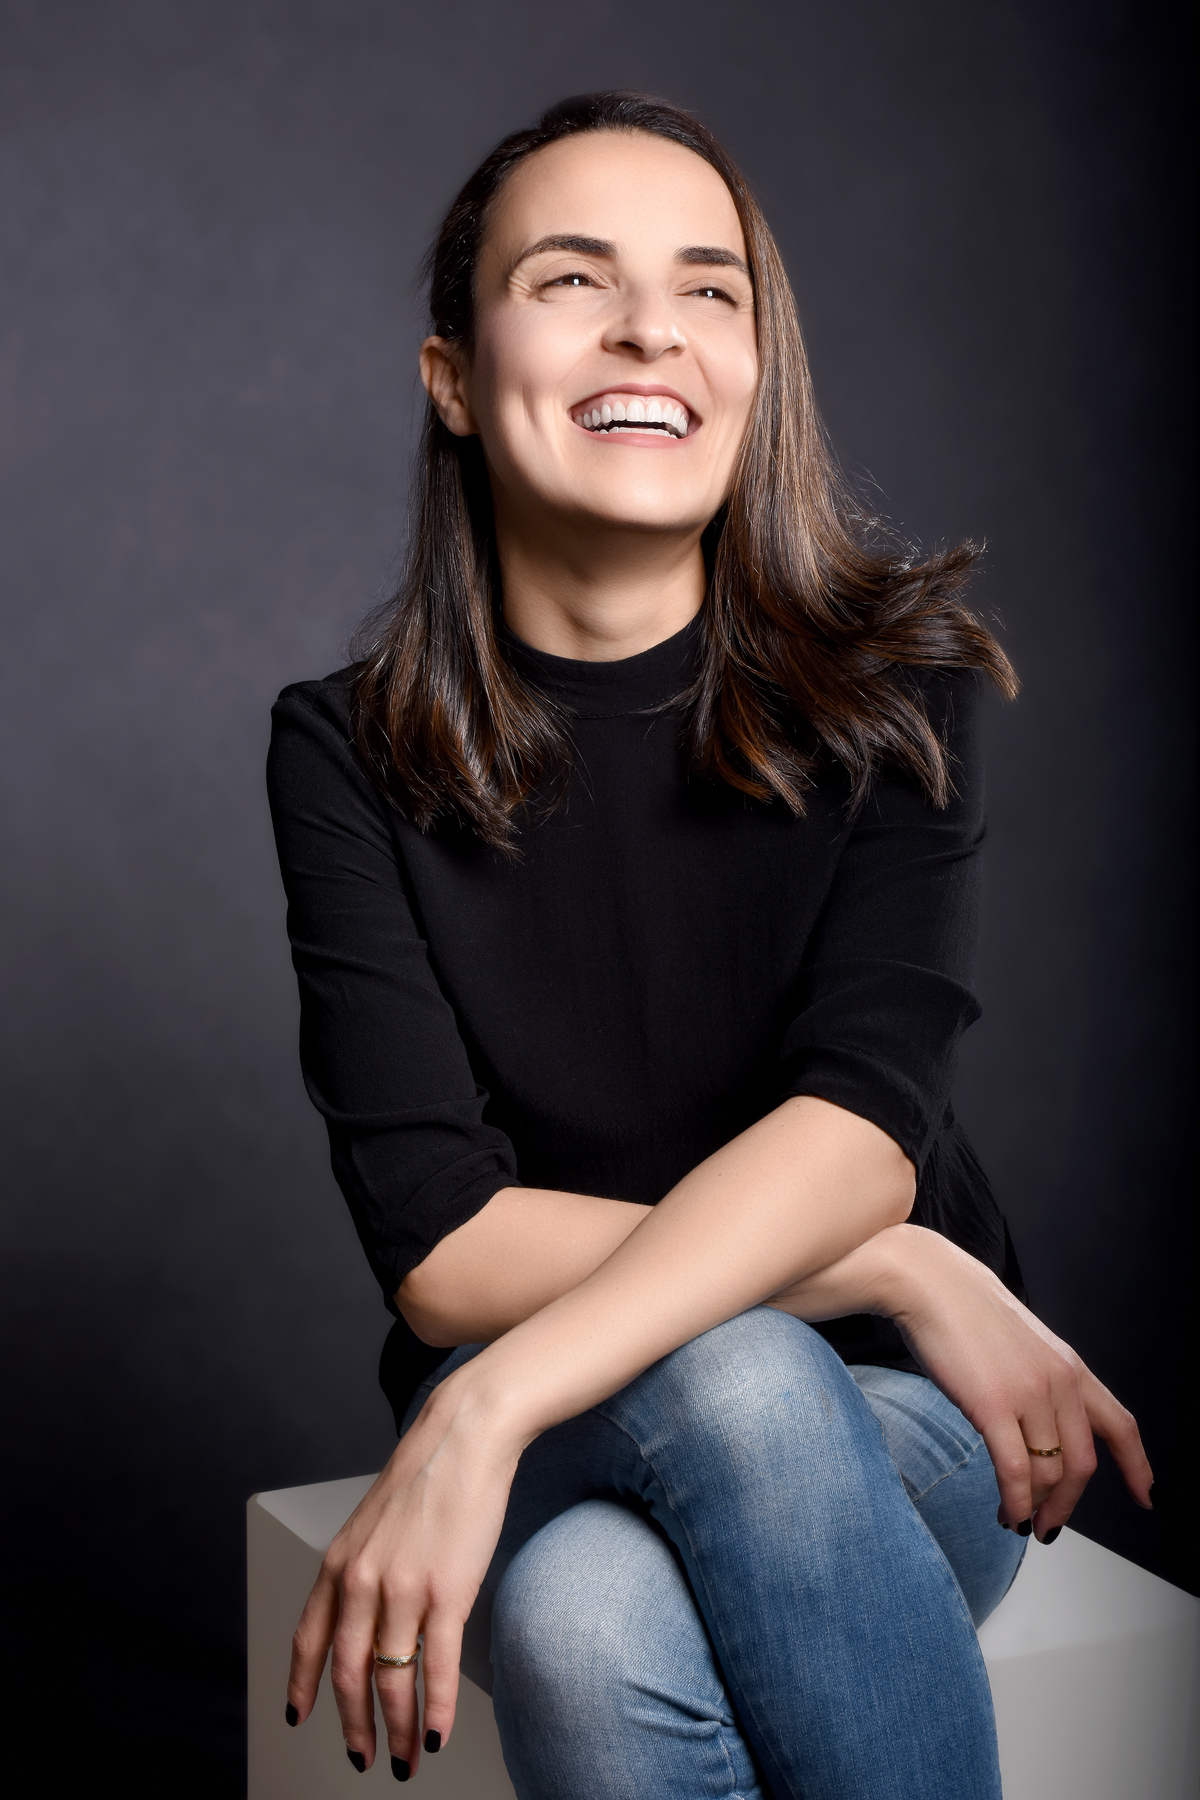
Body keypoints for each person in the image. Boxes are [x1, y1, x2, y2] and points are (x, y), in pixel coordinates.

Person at [266, 91, 1151, 1799]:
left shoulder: (902, 696)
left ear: (758, 365)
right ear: (452, 377)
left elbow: (857, 1137)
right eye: (571, 278)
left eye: (709, 287)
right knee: (738, 1373)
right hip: (589, 1400)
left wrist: (477, 1404)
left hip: (895, 1418)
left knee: (589, 1621)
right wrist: (896, 1265)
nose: (650, 327)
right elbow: (444, 1246)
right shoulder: (345, 751)